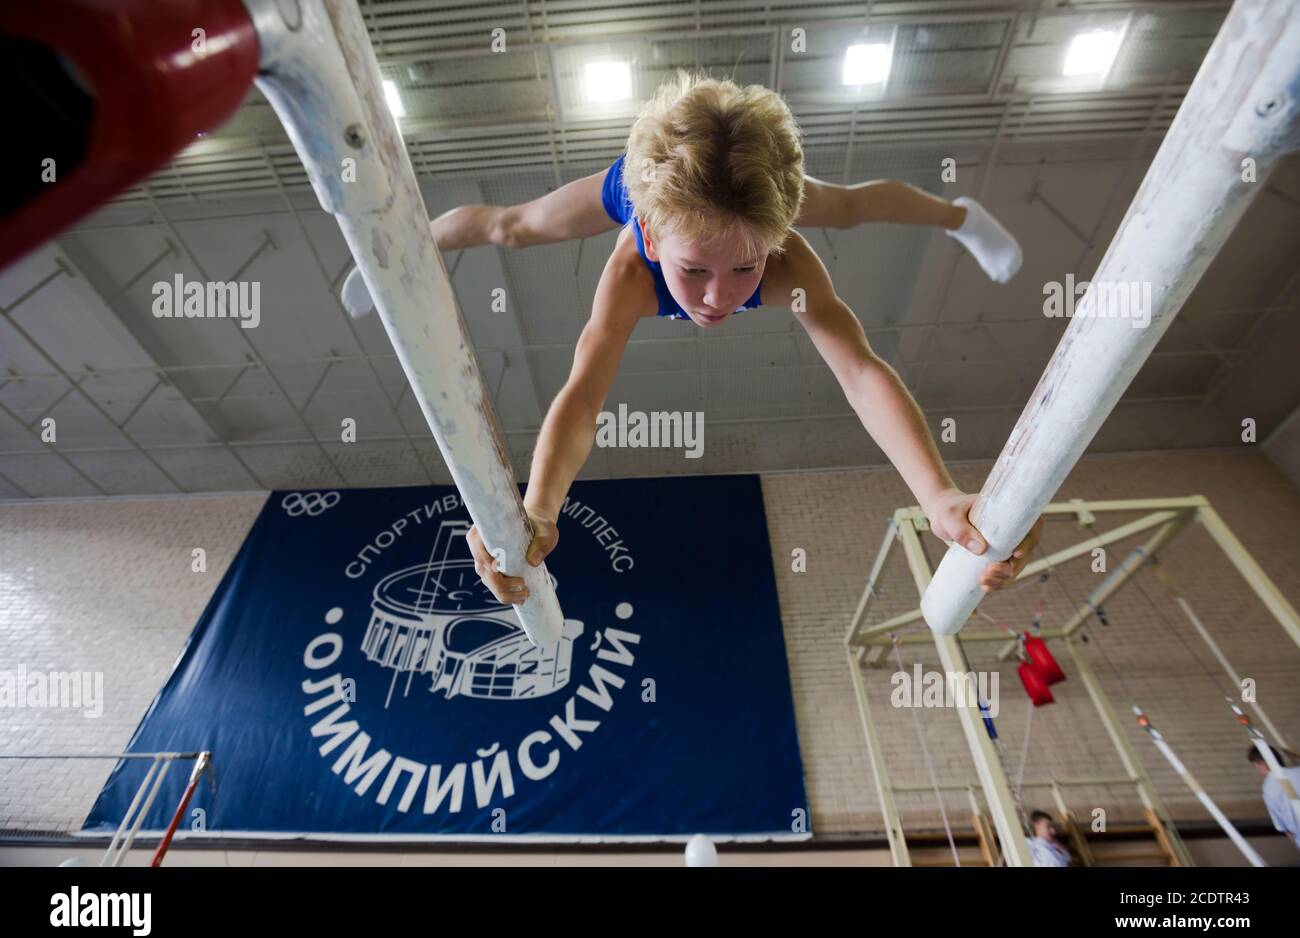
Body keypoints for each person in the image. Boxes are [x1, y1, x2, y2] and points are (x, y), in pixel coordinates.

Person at [341, 71, 1039, 596]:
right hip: (642, 183)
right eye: (695, 271)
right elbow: (583, 395)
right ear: (646, 235)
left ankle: (958, 215)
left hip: (750, 188)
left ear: (776, 240)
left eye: (744, 269)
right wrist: (538, 509)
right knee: (512, 228)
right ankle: (401, 245)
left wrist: (939, 496)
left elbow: (858, 370)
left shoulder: (785, 258)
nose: (718, 299)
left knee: (850, 207)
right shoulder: (631, 270)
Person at [1248, 744, 1300, 851]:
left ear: (1259, 764)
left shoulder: (1268, 790)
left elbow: (1285, 828)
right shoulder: (1297, 772)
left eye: (1255, 766)